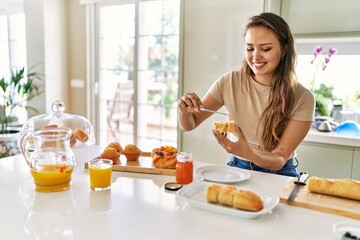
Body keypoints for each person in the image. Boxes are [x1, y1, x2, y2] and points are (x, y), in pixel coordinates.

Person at [177, 12, 315, 177]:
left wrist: (249, 153)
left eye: (266, 49)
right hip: (237, 166)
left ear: (284, 49)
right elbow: (189, 124)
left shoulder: (303, 98)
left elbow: (279, 158)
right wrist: (183, 110)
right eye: (250, 48)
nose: (255, 56)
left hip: (280, 173)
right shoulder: (229, 82)